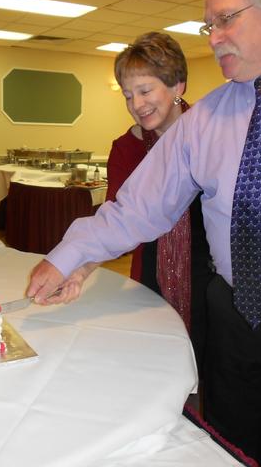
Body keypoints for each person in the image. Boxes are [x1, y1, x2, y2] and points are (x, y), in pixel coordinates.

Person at [27, 0, 261, 465]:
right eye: (208, 25)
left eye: (225, 20)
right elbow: (137, 207)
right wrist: (66, 259)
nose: (214, 38)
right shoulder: (205, 119)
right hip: (234, 321)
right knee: (224, 452)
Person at [64, 32, 213, 374]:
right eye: (129, 96)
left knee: (208, 375)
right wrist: (81, 267)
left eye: (145, 91)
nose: (137, 104)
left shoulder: (212, 136)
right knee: (153, 367)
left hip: (209, 279)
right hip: (150, 278)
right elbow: (115, 222)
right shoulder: (125, 149)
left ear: (178, 86)